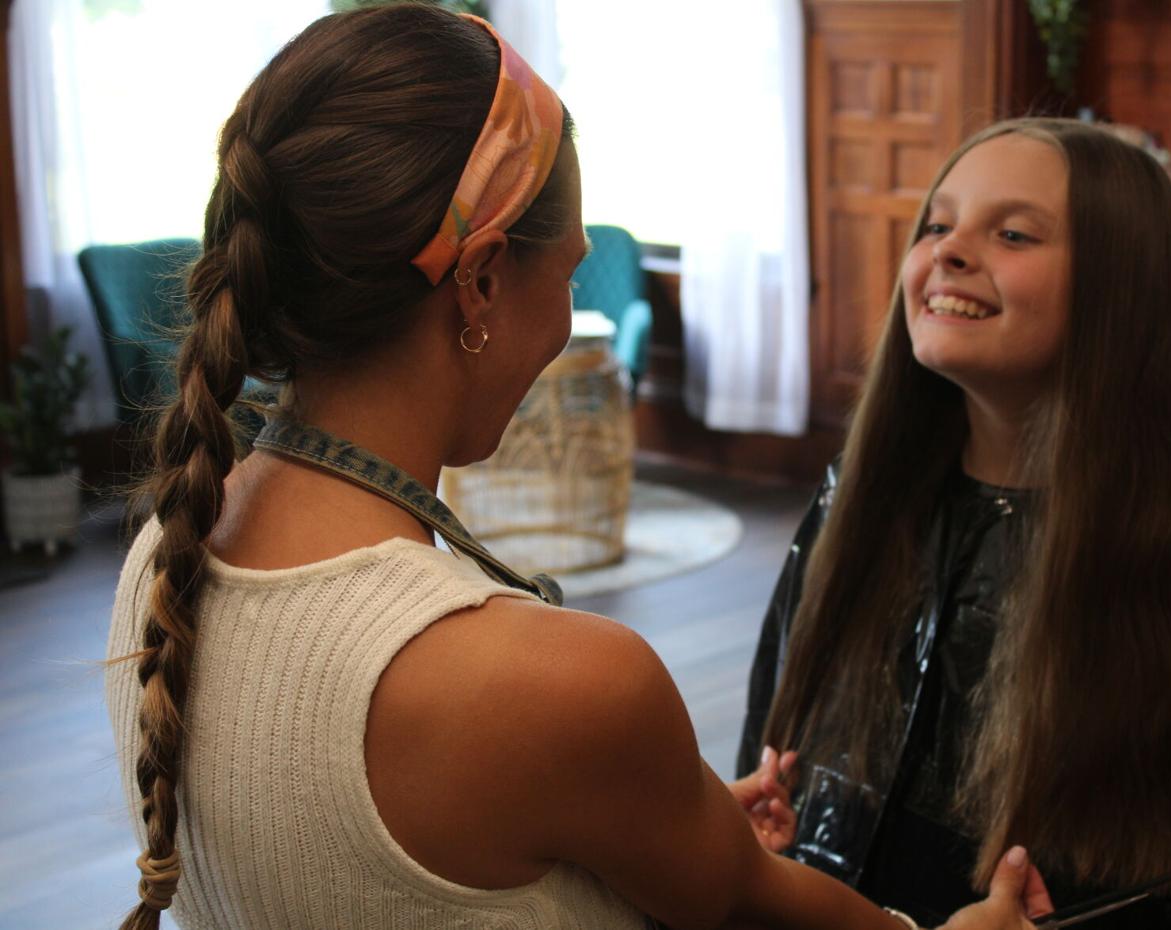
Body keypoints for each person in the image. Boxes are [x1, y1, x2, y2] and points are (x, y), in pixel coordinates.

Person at [103, 7, 1050, 930]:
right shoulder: (553, 685)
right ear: (477, 283)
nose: (563, 323)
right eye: (567, 272)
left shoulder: (166, 559)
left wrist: (644, 801)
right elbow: (745, 909)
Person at [738, 117, 1171, 929]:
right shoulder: (861, 506)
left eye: (1013, 233)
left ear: (1120, 292)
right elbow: (774, 753)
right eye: (937, 224)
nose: (948, 250)